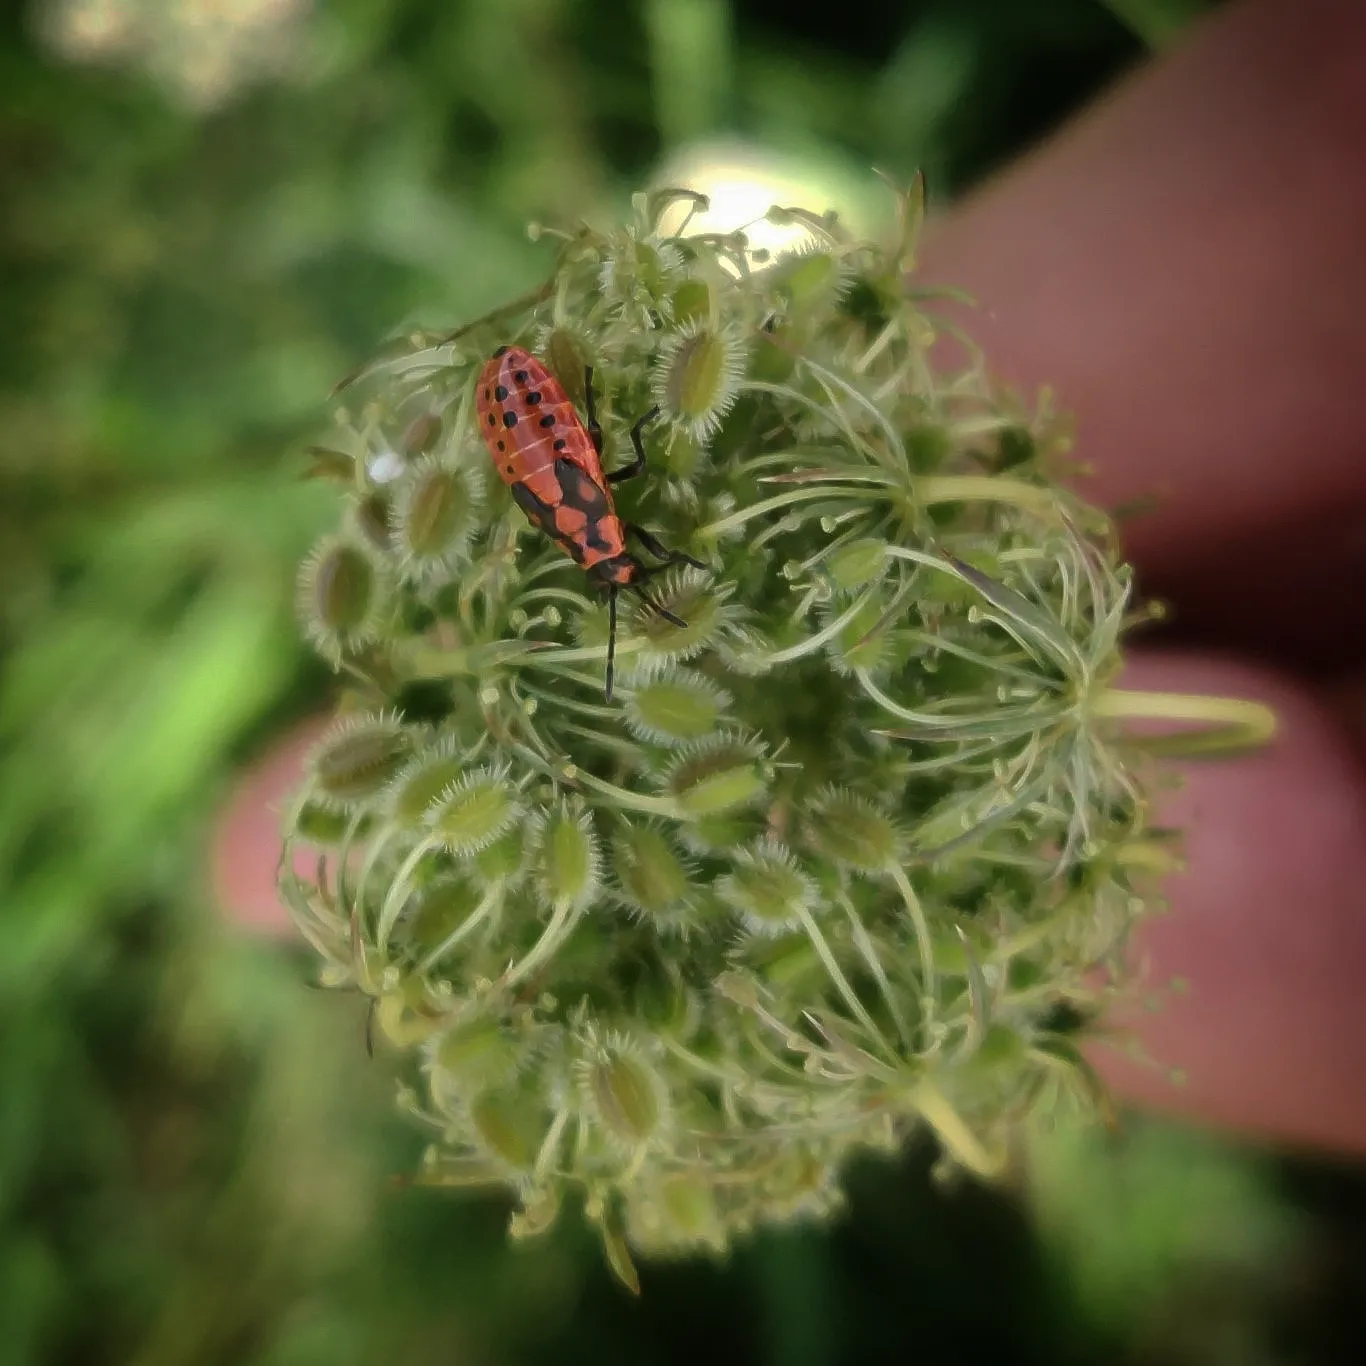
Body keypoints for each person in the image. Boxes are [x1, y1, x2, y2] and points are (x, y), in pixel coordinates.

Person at [213, 0, 1366, 1156]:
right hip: (559, 453)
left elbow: (579, 490)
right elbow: (584, 486)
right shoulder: (590, 537)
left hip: (568, 454)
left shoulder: (599, 533)